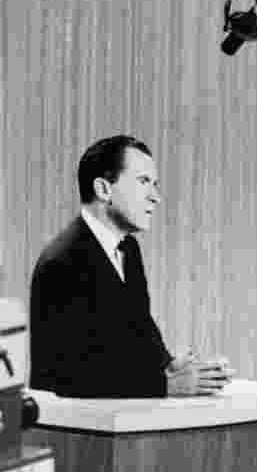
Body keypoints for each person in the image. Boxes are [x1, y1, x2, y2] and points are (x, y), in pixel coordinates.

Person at [29, 135, 231, 397]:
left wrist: (169, 365)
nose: (155, 197)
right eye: (144, 182)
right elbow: (69, 375)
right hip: (74, 430)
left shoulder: (128, 249)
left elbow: (139, 327)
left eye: (155, 184)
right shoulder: (62, 262)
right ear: (103, 189)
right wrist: (165, 385)